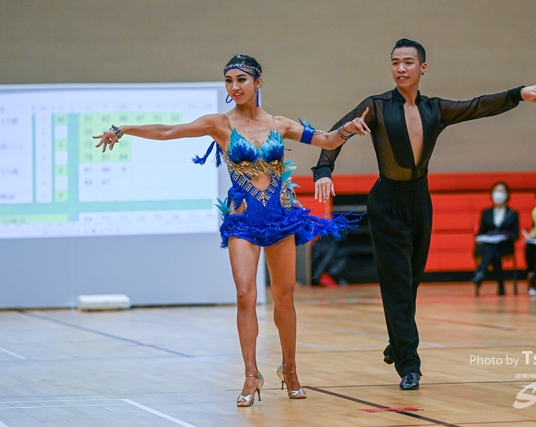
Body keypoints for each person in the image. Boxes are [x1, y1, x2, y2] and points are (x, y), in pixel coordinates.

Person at [94, 54, 369, 407]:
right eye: (229, 80)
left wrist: (348, 129)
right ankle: (251, 375)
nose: (234, 87)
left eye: (241, 79)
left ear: (258, 82)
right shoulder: (219, 123)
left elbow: (327, 141)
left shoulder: (279, 124)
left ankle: (290, 369)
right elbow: (167, 132)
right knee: (244, 295)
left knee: (284, 298)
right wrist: (123, 129)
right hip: (243, 222)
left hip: (281, 220)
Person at [312, 38, 536, 390]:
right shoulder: (376, 106)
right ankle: (410, 364)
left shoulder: (434, 109)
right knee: (396, 283)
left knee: (410, 281)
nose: (400, 68)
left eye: (408, 62)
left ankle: (398, 341)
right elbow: (336, 134)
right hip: (386, 202)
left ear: (422, 68)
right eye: (395, 62)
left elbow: (478, 106)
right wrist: (323, 171)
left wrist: (519, 94)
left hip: (419, 200)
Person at [472, 182, 520, 296]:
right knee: (493, 250)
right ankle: (500, 284)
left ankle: (481, 272)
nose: (498, 194)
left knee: (493, 250)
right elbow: (481, 233)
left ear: (507, 194)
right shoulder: (486, 213)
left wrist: (506, 236)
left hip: (505, 245)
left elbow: (516, 235)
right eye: (496, 191)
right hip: (488, 245)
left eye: (501, 191)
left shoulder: (513, 214)